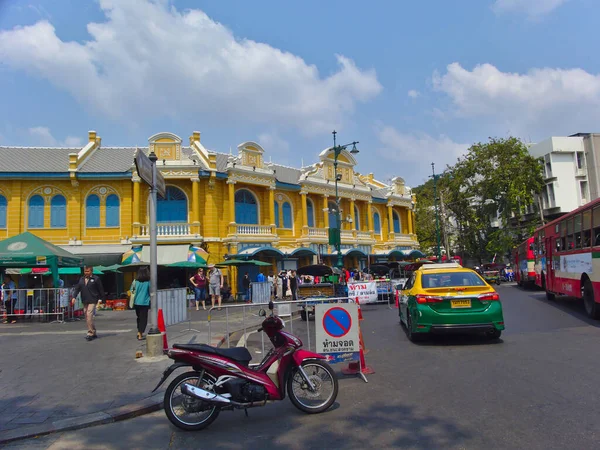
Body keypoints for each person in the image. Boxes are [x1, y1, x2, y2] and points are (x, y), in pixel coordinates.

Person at [71, 266, 105, 341]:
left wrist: (102, 299)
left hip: (93, 299)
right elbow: (77, 289)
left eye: (88, 271)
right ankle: (94, 331)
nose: (86, 273)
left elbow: (100, 289)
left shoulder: (96, 279)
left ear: (91, 271)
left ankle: (90, 333)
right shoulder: (81, 279)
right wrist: (74, 297)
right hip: (85, 300)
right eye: (85, 271)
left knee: (89, 315)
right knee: (86, 316)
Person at [130, 266, 151, 340]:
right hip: (145, 302)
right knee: (143, 319)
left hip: (136, 302)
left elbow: (131, 290)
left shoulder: (135, 281)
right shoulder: (148, 282)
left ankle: (139, 331)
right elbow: (151, 291)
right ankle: (140, 333)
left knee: (139, 317)